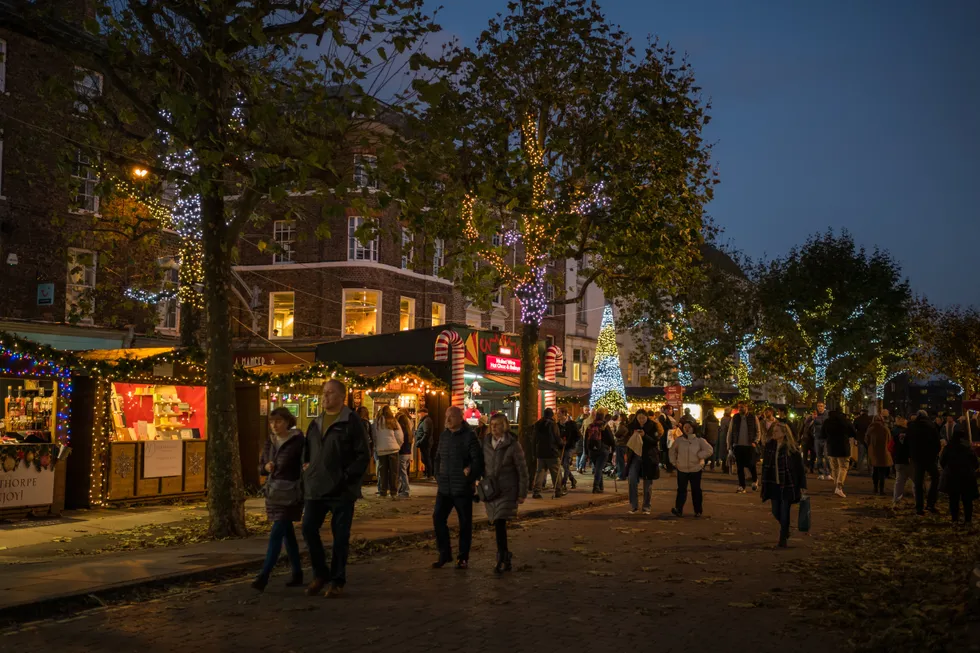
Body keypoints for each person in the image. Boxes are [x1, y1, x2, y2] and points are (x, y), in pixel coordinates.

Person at [302, 379, 370, 598]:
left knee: (340, 536)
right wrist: (307, 467)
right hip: (316, 487)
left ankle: (337, 580)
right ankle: (320, 574)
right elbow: (308, 449)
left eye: (330, 393)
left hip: (341, 490)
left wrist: (347, 476)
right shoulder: (316, 423)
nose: (325, 397)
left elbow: (363, 455)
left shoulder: (351, 421)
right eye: (324, 393)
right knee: (308, 528)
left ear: (342, 396)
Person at [252, 407, 305, 591]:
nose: (274, 425)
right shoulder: (270, 441)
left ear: (288, 422)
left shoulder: (298, 441)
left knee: (277, 531)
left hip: (291, 492)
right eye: (272, 422)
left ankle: (264, 575)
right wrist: (266, 467)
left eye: (279, 421)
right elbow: (260, 466)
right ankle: (297, 572)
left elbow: (304, 463)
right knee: (287, 532)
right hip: (274, 492)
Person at [432, 406, 484, 569]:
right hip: (445, 488)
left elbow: (478, 461)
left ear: (460, 418)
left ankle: (463, 557)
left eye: (451, 417)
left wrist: (469, 475)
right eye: (446, 416)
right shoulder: (444, 436)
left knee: (465, 523)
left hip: (461, 488)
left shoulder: (469, 436)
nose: (447, 420)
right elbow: (438, 458)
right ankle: (444, 553)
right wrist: (438, 476)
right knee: (438, 518)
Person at [482, 413, 530, 573]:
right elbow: (482, 464)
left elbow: (522, 470)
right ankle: (505, 556)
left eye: (498, 424)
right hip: (491, 490)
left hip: (508, 490)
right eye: (492, 424)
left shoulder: (513, 445)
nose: (494, 428)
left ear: (505, 426)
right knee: (497, 523)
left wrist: (522, 492)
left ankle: (502, 557)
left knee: (499, 522)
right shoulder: (486, 443)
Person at [759, 421, 807, 548]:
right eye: (773, 431)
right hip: (773, 483)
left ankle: (782, 538)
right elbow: (766, 465)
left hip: (788, 483)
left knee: (785, 511)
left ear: (784, 433)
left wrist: (802, 485)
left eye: (776, 431)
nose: (773, 433)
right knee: (776, 511)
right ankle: (786, 529)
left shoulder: (791, 448)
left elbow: (799, 468)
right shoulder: (770, 445)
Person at [669, 421, 713, 517]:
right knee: (681, 490)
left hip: (695, 469)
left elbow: (709, 450)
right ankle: (678, 509)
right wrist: (674, 462)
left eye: (689, 427)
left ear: (693, 428)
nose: (687, 429)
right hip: (682, 469)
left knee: (696, 490)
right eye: (685, 427)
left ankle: (698, 510)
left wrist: (700, 456)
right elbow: (672, 451)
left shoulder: (699, 440)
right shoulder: (679, 440)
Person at [939, 431, 979, 526]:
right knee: (967, 500)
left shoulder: (948, 448)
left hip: (952, 476)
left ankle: (954, 520)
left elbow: (942, 461)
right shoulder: (968, 448)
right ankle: (968, 520)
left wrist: (948, 468)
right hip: (967, 477)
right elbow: (975, 462)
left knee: (953, 500)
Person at [626, 410, 662, 514]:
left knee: (647, 483)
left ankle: (646, 506)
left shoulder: (653, 426)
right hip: (635, 457)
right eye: (639, 418)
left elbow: (655, 441)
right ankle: (634, 506)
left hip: (648, 457)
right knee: (632, 480)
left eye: (643, 418)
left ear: (647, 417)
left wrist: (644, 436)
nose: (641, 420)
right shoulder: (631, 426)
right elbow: (625, 439)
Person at [907, 409, 941, 515]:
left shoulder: (912, 427)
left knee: (918, 482)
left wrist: (912, 455)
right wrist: (934, 454)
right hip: (929, 458)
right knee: (935, 477)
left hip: (917, 458)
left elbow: (909, 443)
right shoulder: (931, 426)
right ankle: (931, 503)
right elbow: (937, 443)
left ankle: (919, 507)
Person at [726, 401, 760, 493]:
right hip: (738, 445)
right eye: (739, 407)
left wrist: (755, 441)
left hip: (750, 445)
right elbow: (730, 431)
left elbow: (758, 431)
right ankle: (742, 486)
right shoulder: (735, 418)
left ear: (746, 407)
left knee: (751, 465)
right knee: (740, 467)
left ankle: (755, 480)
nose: (741, 409)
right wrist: (729, 445)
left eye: (743, 407)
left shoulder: (753, 417)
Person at [532, 408, 564, 499]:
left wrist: (534, 452)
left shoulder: (537, 424)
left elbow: (534, 439)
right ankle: (558, 490)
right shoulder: (553, 424)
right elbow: (557, 437)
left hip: (540, 452)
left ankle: (536, 491)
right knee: (556, 472)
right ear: (551, 415)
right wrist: (562, 444)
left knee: (540, 472)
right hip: (552, 452)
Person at [372, 406, 403, 499]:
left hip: (381, 451)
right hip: (393, 450)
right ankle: (393, 492)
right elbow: (400, 436)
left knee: (383, 472)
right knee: (394, 472)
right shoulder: (393, 421)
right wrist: (398, 445)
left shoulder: (376, 422)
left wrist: (376, 446)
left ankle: (383, 491)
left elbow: (374, 436)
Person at [824, 410, 856, 498]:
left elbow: (822, 434)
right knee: (843, 466)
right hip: (843, 447)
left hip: (831, 447)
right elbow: (853, 432)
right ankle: (839, 486)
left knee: (834, 467)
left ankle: (836, 485)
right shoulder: (845, 422)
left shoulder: (827, 422)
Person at [585, 409, 616, 493]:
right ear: (603, 417)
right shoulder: (605, 426)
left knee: (598, 468)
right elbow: (611, 439)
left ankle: (600, 487)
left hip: (592, 450)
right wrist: (613, 449)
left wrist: (587, 452)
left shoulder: (590, 426)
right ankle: (595, 487)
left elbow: (586, 440)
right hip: (603, 450)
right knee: (599, 468)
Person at [866, 414, 892, 496]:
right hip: (884, 452)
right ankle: (881, 490)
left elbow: (866, 440)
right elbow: (890, 440)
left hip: (873, 452)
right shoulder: (885, 429)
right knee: (882, 472)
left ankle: (875, 488)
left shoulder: (870, 429)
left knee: (875, 470)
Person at [557, 407, 581, 491]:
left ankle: (563, 483)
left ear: (564, 414)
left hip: (569, 447)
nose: (557, 415)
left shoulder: (571, 424)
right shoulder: (558, 424)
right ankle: (573, 480)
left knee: (566, 464)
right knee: (564, 465)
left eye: (559, 413)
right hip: (561, 447)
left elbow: (578, 435)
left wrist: (571, 442)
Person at [891, 415, 912, 506]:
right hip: (909, 460)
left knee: (899, 480)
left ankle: (896, 499)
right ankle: (918, 501)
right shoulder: (910, 434)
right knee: (915, 480)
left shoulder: (894, 432)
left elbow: (891, 446)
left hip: (898, 459)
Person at [806, 402, 830, 480]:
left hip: (826, 438)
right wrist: (811, 418)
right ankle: (820, 473)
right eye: (818, 406)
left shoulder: (827, 414)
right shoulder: (814, 415)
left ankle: (828, 473)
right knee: (819, 457)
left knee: (827, 456)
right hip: (817, 438)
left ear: (824, 407)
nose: (820, 408)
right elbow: (806, 423)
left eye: (821, 406)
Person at [396, 409, 415, 498]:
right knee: (402, 473)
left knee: (402, 473)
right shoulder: (409, 431)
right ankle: (399, 489)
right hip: (408, 453)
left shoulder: (401, 431)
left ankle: (406, 490)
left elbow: (400, 441)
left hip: (402, 453)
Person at [355, 405, 375, 487]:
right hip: (365, 447)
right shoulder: (366, 423)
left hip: (357, 448)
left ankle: (358, 486)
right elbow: (370, 436)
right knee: (363, 468)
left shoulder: (355, 422)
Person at [415, 407, 434, 479]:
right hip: (424, 443)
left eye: (419, 413)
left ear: (423, 413)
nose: (419, 415)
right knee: (424, 458)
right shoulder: (424, 420)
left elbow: (426, 433)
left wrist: (420, 441)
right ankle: (427, 474)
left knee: (426, 458)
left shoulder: (426, 421)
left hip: (425, 443)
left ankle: (429, 475)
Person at [613, 412, 631, 480]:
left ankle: (621, 475)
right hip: (623, 444)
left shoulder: (622, 426)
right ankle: (622, 474)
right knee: (621, 460)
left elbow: (617, 434)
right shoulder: (626, 425)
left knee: (620, 460)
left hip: (620, 444)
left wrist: (615, 430)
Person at [716, 406, 733, 472]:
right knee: (727, 452)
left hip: (722, 437)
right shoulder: (729, 419)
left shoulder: (723, 418)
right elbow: (729, 428)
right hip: (726, 436)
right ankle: (726, 468)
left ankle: (724, 467)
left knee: (724, 453)